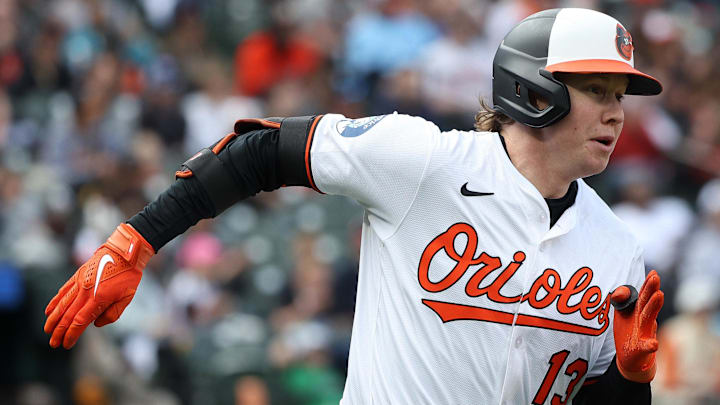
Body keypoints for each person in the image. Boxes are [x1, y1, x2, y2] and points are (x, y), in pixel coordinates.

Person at [44, 8, 665, 404]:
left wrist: (629, 384)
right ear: (535, 90)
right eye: (596, 89)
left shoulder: (617, 250)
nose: (616, 111)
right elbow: (261, 149)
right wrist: (137, 239)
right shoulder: (424, 160)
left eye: (621, 95)